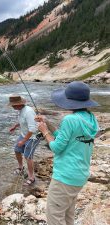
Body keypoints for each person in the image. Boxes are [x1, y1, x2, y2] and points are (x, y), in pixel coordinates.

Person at [36, 81, 99, 225]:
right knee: (68, 215)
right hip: (79, 176)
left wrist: (44, 131)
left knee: (55, 217)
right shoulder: (91, 119)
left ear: (70, 101)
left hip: (65, 177)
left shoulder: (70, 119)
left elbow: (57, 147)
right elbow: (69, 139)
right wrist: (48, 123)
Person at [9, 95, 39, 186]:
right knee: (17, 150)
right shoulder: (20, 110)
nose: (12, 106)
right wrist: (15, 126)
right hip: (24, 135)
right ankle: (21, 168)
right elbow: (22, 120)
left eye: (13, 105)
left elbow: (32, 129)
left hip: (33, 137)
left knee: (28, 157)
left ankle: (31, 178)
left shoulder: (29, 112)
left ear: (19, 104)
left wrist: (23, 141)